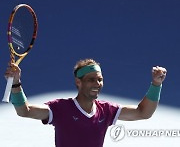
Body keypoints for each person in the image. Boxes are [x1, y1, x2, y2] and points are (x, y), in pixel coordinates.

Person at [5, 58, 167, 147]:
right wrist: (15, 83)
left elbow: (143, 113)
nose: (97, 84)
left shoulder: (107, 110)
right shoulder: (60, 108)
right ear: (78, 82)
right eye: (91, 80)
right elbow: (24, 111)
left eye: (100, 79)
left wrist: (156, 85)